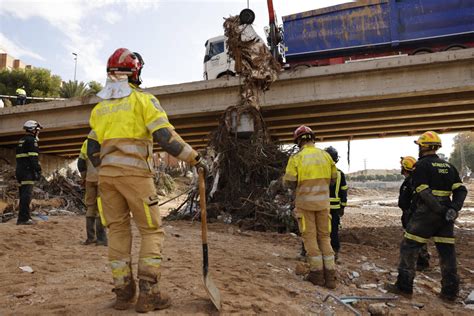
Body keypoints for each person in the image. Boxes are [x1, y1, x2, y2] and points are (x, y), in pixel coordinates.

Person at [87, 48, 207, 312]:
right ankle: (149, 293)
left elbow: (91, 151)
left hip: (107, 179)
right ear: (136, 72)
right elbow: (166, 138)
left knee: (117, 231)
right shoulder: (144, 101)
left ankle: (123, 293)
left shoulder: (100, 109)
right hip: (137, 178)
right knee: (151, 231)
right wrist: (196, 159)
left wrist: (109, 167)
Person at [386, 131, 467, 301]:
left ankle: (404, 287)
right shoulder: (449, 167)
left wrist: (438, 209)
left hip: (426, 215)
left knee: (409, 247)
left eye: (420, 146)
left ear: (423, 147)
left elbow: (422, 191)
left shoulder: (420, 166)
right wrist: (453, 208)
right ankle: (450, 292)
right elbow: (461, 190)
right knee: (447, 253)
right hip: (446, 217)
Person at [283, 125, 337, 289]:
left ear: (298, 141)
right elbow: (334, 178)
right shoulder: (326, 156)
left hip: (305, 205)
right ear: (313, 138)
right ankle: (331, 277)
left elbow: (290, 182)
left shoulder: (297, 158)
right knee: (325, 238)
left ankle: (317, 275)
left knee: (310, 239)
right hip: (323, 205)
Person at [398, 156, 430, 271]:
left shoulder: (409, 182)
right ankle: (422, 261)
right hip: (415, 213)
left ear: (405, 168)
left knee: (413, 239)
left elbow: (405, 200)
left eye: (402, 166)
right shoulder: (416, 180)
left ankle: (419, 263)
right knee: (419, 238)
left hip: (412, 214)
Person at [78, 138, 107, 246]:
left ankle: (90, 238)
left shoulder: (87, 142)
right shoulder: (107, 139)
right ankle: (101, 239)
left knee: (90, 207)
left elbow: (80, 162)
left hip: (90, 179)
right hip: (104, 179)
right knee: (101, 209)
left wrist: (84, 177)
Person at [15, 120, 42, 225]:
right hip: (27, 172)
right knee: (27, 196)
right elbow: (33, 158)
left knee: (23, 195)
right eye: (37, 130)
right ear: (33, 130)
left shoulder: (21, 140)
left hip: (20, 171)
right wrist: (38, 170)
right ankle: (24, 219)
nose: (38, 132)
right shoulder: (32, 141)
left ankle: (22, 218)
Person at [324, 146, 347, 261]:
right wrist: (342, 206)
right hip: (335, 208)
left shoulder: (321, 173)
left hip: (322, 207)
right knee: (334, 230)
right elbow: (344, 191)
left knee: (319, 230)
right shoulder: (340, 174)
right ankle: (335, 252)